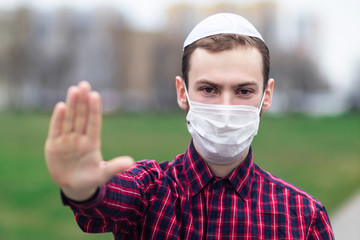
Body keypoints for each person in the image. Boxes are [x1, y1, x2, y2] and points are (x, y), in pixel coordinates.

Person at [45, 13, 334, 239]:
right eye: (208, 89)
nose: (225, 108)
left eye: (244, 91)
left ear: (266, 95)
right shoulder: (148, 192)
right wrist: (83, 189)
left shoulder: (303, 217)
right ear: (182, 93)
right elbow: (109, 199)